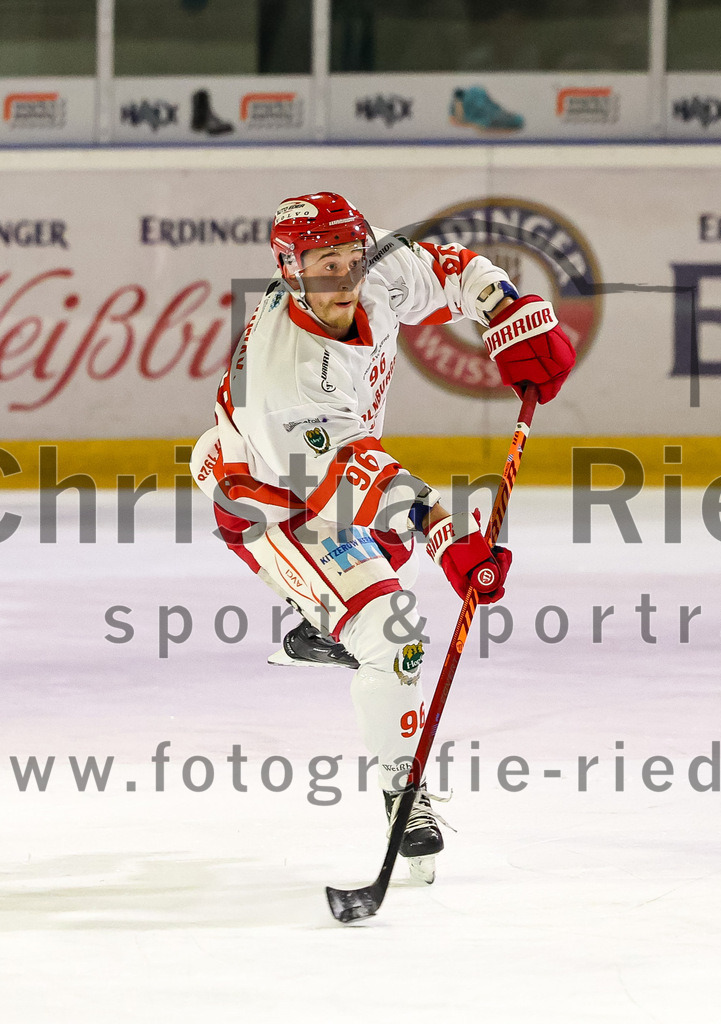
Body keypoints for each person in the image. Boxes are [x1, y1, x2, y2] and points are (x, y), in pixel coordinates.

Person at [190, 192, 574, 882]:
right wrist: (449, 534)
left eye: (350, 258)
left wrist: (510, 312)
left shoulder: (375, 268)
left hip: (330, 477)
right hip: (270, 501)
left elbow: (454, 268)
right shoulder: (283, 375)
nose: (344, 279)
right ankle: (405, 794)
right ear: (289, 267)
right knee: (393, 631)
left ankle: (324, 624)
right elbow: (348, 479)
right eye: (324, 265)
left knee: (381, 590)